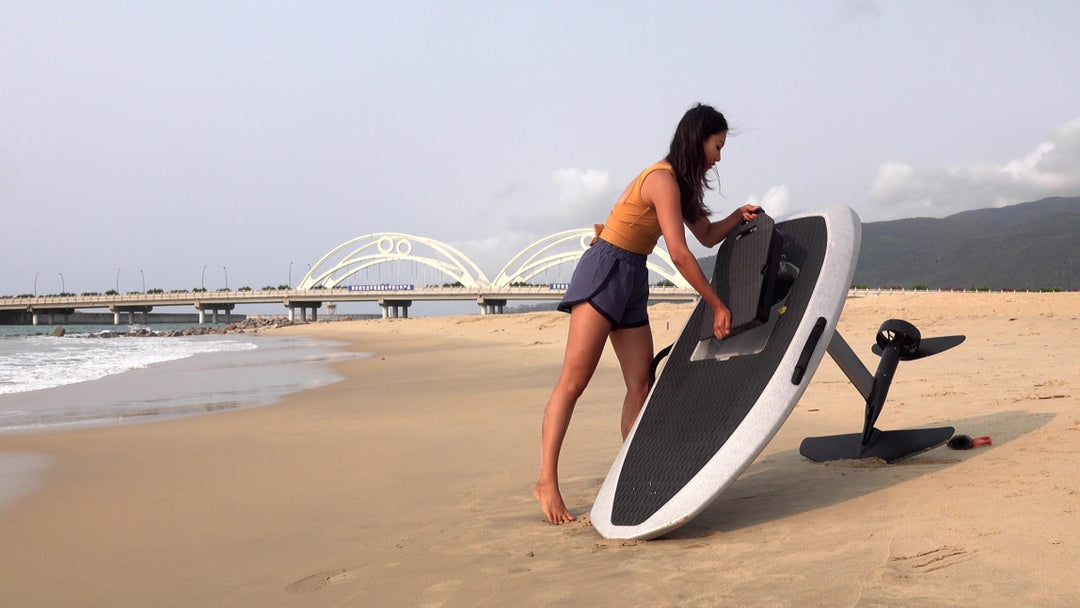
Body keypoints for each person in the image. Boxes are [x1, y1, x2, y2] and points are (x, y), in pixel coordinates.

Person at [533, 103, 761, 524]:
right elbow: (678, 252)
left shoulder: (681, 188)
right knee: (574, 380)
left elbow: (707, 236)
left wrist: (737, 216)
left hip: (633, 276)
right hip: (606, 268)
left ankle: (628, 474)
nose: (719, 156)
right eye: (717, 145)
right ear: (699, 139)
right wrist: (716, 302)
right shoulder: (662, 180)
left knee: (641, 384)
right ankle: (546, 479)